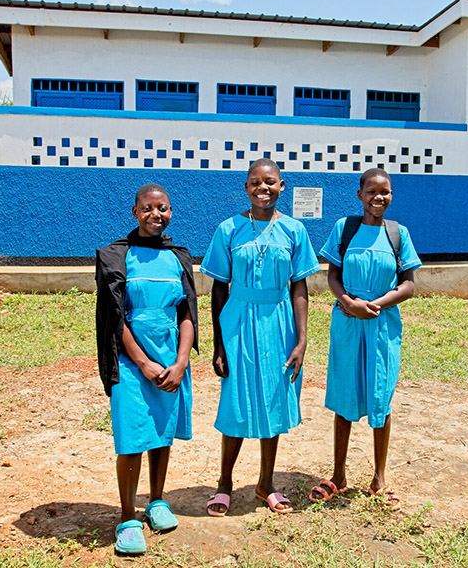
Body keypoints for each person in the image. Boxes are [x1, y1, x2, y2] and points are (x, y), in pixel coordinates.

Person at [200, 158, 320, 516]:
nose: (263, 188)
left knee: (273, 401)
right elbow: (219, 289)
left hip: (279, 322)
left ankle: (265, 482)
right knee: (236, 401)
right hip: (238, 322)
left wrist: (301, 340)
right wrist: (219, 343)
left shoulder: (295, 231)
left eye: (270, 182)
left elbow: (299, 287)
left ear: (282, 186)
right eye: (255, 182)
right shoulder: (229, 229)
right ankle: (224, 483)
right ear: (246, 187)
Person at [95, 183, 199, 555]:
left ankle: (156, 501)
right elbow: (113, 318)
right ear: (135, 212)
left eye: (164, 208)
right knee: (131, 437)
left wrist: (181, 361)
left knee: (161, 433)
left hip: (171, 359)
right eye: (149, 208)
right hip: (132, 360)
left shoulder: (179, 257)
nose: (157, 214)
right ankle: (127, 517)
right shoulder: (115, 257)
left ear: (171, 211)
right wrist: (142, 362)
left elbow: (186, 313)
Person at [310, 168, 421, 507]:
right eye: (371, 191)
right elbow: (333, 275)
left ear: (391, 195)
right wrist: (348, 302)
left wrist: (374, 304)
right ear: (360, 195)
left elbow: (409, 285)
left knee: (381, 395)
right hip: (347, 321)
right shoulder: (345, 229)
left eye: (384, 191)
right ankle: (339, 475)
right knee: (345, 395)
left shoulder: (398, 233)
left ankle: (379, 478)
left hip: (382, 323)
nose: (378, 197)